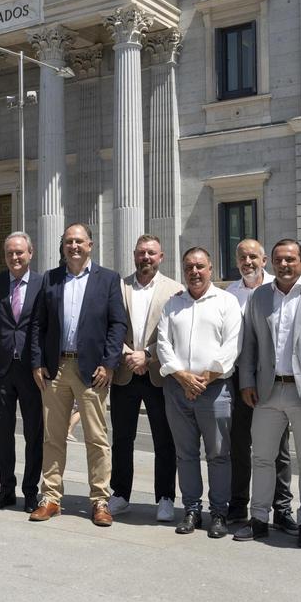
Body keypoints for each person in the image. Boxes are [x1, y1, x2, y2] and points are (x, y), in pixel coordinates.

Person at [234, 239, 301, 548]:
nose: (284, 265)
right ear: (272, 263)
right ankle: (258, 519)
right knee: (263, 458)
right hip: (267, 392)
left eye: (291, 259)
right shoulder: (260, 297)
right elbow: (250, 343)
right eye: (279, 259)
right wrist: (246, 382)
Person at [28, 223, 127, 527]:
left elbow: (117, 325)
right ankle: (51, 497)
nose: (74, 246)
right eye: (69, 242)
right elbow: (37, 325)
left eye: (79, 241)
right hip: (56, 369)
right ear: (63, 246)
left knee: (96, 438)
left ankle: (99, 500)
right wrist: (37, 362)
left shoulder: (107, 279)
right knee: (53, 437)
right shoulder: (51, 279)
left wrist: (109, 364)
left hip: (92, 371)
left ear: (90, 245)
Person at [156, 247, 242, 537]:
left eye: (200, 266)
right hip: (178, 390)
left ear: (211, 268)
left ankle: (219, 512)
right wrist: (182, 377)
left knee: (219, 455)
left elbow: (232, 346)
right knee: (186, 455)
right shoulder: (173, 304)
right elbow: (163, 343)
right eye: (189, 267)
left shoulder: (227, 302)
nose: (194, 272)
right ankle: (192, 509)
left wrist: (202, 379)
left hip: (215, 390)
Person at [108, 235, 181, 522]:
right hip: (125, 372)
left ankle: (164, 497)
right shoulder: (119, 286)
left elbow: (174, 333)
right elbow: (110, 326)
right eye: (141, 253)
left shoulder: (175, 290)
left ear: (161, 256)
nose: (145, 258)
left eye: (151, 253)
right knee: (122, 439)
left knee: (165, 440)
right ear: (134, 255)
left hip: (157, 374)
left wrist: (147, 355)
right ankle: (120, 494)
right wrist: (128, 354)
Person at [225, 239, 295, 529]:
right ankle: (239, 504)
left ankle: (282, 509)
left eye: (253, 257)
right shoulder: (229, 294)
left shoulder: (277, 288)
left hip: (272, 382)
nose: (248, 262)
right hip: (238, 380)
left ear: (264, 260)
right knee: (239, 446)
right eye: (242, 257)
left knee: (278, 449)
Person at [0, 232, 43, 513]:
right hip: (2, 369)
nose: (15, 258)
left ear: (30, 253)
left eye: (20, 252)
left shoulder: (44, 283)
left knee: (34, 433)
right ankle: (6, 490)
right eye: (10, 253)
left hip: (33, 370)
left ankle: (31, 492)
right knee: (3, 433)